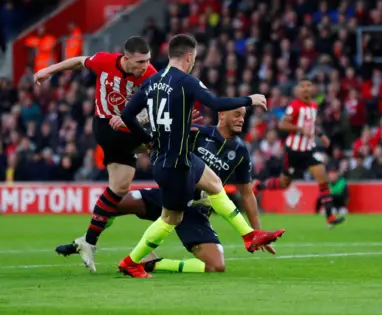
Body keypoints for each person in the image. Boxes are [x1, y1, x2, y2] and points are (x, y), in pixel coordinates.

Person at [117, 34, 284, 278]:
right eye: (194, 59)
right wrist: (251, 99)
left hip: (176, 158)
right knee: (170, 219)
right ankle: (131, 262)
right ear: (188, 57)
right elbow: (215, 104)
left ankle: (250, 235)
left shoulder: (151, 82)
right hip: (174, 165)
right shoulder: (186, 81)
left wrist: (147, 139)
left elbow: (127, 115)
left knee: (215, 184)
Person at [57, 107, 274, 273]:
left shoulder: (240, 152)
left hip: (195, 211)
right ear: (222, 115)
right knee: (112, 203)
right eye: (236, 114)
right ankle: (86, 241)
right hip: (167, 196)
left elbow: (247, 193)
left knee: (216, 266)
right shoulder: (196, 133)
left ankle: (154, 263)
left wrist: (257, 232)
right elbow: (153, 145)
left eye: (243, 116)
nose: (241, 119)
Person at [33, 36, 158, 272]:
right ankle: (196, 189)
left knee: (120, 188)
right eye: (140, 62)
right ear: (126, 58)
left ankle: (87, 241)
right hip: (106, 127)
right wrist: (48, 70)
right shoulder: (104, 61)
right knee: (162, 142)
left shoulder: (150, 75)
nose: (144, 66)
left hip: (128, 130)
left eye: (148, 61)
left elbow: (157, 103)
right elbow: (79, 61)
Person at [271, 78, 345, 227]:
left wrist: (321, 135)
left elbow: (310, 125)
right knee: (284, 183)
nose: (305, 88)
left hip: (308, 150)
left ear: (312, 89)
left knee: (322, 177)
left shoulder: (313, 105)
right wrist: (300, 129)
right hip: (293, 151)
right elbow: (283, 124)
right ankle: (259, 186)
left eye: (308, 85)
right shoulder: (294, 106)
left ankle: (330, 216)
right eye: (303, 86)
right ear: (298, 90)